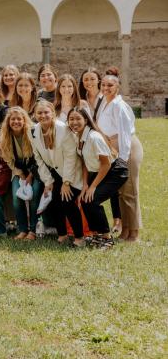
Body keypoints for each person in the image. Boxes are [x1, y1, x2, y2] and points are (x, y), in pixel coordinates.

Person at [68, 107, 128, 248]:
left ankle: (107, 238)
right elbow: (84, 162)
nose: (74, 122)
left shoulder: (94, 137)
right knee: (84, 199)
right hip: (98, 171)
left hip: (115, 171)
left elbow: (106, 164)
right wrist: (85, 186)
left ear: (86, 120)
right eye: (71, 119)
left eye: (78, 119)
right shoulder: (78, 136)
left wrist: (93, 187)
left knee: (92, 199)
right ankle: (97, 235)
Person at [96, 68, 143, 242]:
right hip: (114, 150)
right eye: (104, 84)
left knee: (130, 191)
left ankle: (135, 233)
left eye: (110, 85)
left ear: (117, 87)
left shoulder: (119, 105)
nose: (106, 87)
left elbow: (124, 134)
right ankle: (125, 231)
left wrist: (123, 158)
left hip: (128, 149)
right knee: (122, 192)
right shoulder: (103, 101)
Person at [30, 100, 85, 246]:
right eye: (39, 113)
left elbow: (70, 158)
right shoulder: (33, 131)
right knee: (55, 202)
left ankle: (80, 237)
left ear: (53, 113)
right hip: (54, 172)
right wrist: (48, 181)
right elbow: (38, 159)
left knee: (66, 201)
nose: (43, 115)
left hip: (71, 172)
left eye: (46, 112)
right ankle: (62, 234)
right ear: (35, 115)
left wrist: (66, 182)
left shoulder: (63, 129)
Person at [0, 107, 43, 240]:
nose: (16, 122)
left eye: (19, 119)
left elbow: (39, 157)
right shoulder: (5, 137)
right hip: (18, 172)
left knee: (34, 194)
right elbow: (8, 160)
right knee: (16, 197)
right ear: (8, 121)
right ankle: (22, 229)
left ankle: (33, 230)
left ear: (24, 120)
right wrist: (21, 175)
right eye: (13, 119)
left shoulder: (32, 132)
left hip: (36, 171)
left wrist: (30, 176)